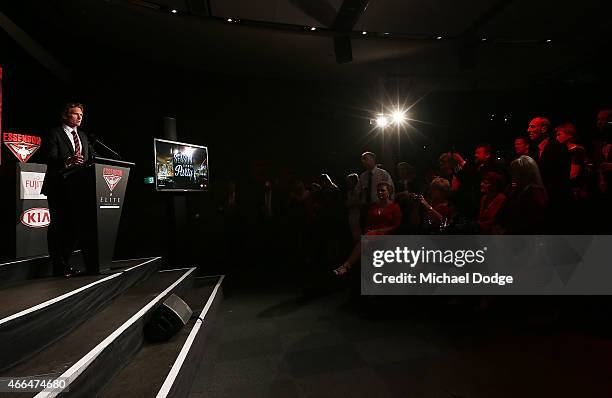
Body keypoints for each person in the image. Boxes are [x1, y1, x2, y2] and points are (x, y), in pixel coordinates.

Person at [41, 103, 92, 276]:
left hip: (79, 189)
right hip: (58, 187)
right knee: (58, 227)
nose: (79, 117)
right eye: (75, 114)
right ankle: (58, 266)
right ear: (65, 116)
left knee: (75, 228)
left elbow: (91, 158)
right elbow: (48, 157)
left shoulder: (83, 136)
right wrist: (67, 161)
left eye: (81, 115)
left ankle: (65, 264)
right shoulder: (54, 133)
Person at [334, 182, 401, 275]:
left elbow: (396, 225)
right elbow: (368, 223)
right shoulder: (373, 207)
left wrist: (378, 231)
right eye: (378, 191)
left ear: (388, 192)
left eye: (382, 190)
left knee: (366, 239)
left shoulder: (395, 207)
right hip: (372, 234)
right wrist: (369, 231)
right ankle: (348, 266)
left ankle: (346, 265)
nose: (380, 193)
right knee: (365, 239)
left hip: (386, 234)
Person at [496, 156, 548, 234]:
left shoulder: (533, 193)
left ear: (524, 173)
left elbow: (526, 222)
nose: (513, 175)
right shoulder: (519, 189)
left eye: (515, 172)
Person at [359, 152, 394, 222]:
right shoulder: (362, 176)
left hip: (379, 206)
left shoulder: (383, 174)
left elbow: (390, 190)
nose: (363, 161)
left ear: (373, 159)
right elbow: (357, 192)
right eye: (362, 159)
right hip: (365, 207)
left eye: (365, 159)